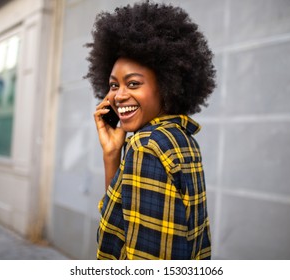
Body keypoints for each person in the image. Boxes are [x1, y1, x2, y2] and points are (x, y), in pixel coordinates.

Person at [85, 0, 216, 260]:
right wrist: (112, 153)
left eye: (133, 83)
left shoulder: (146, 146)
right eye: (113, 85)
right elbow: (124, 220)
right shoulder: (181, 138)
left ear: (167, 85)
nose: (119, 96)